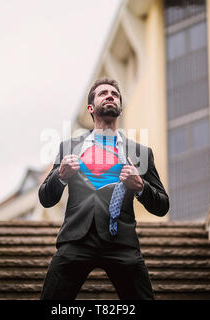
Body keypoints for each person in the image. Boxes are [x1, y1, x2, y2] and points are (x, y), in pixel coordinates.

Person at [39, 78, 169, 300]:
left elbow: (162, 205)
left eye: (115, 94)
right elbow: (46, 198)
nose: (110, 96)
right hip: (76, 239)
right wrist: (60, 177)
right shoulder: (70, 147)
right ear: (90, 108)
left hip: (120, 242)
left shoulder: (140, 153)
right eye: (103, 93)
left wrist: (140, 187)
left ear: (120, 107)